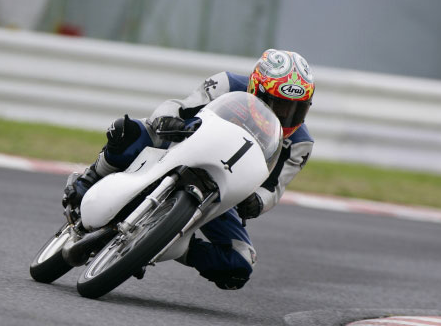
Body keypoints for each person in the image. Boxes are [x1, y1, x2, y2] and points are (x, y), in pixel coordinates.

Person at [62, 49, 315, 290]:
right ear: (255, 88)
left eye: (296, 109)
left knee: (240, 263)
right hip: (178, 146)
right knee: (126, 130)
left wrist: (257, 202)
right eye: (278, 105)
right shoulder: (226, 84)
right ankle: (88, 180)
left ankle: (162, 243)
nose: (285, 115)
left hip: (221, 190)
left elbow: (274, 189)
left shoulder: (300, 144)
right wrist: (168, 119)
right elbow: (179, 106)